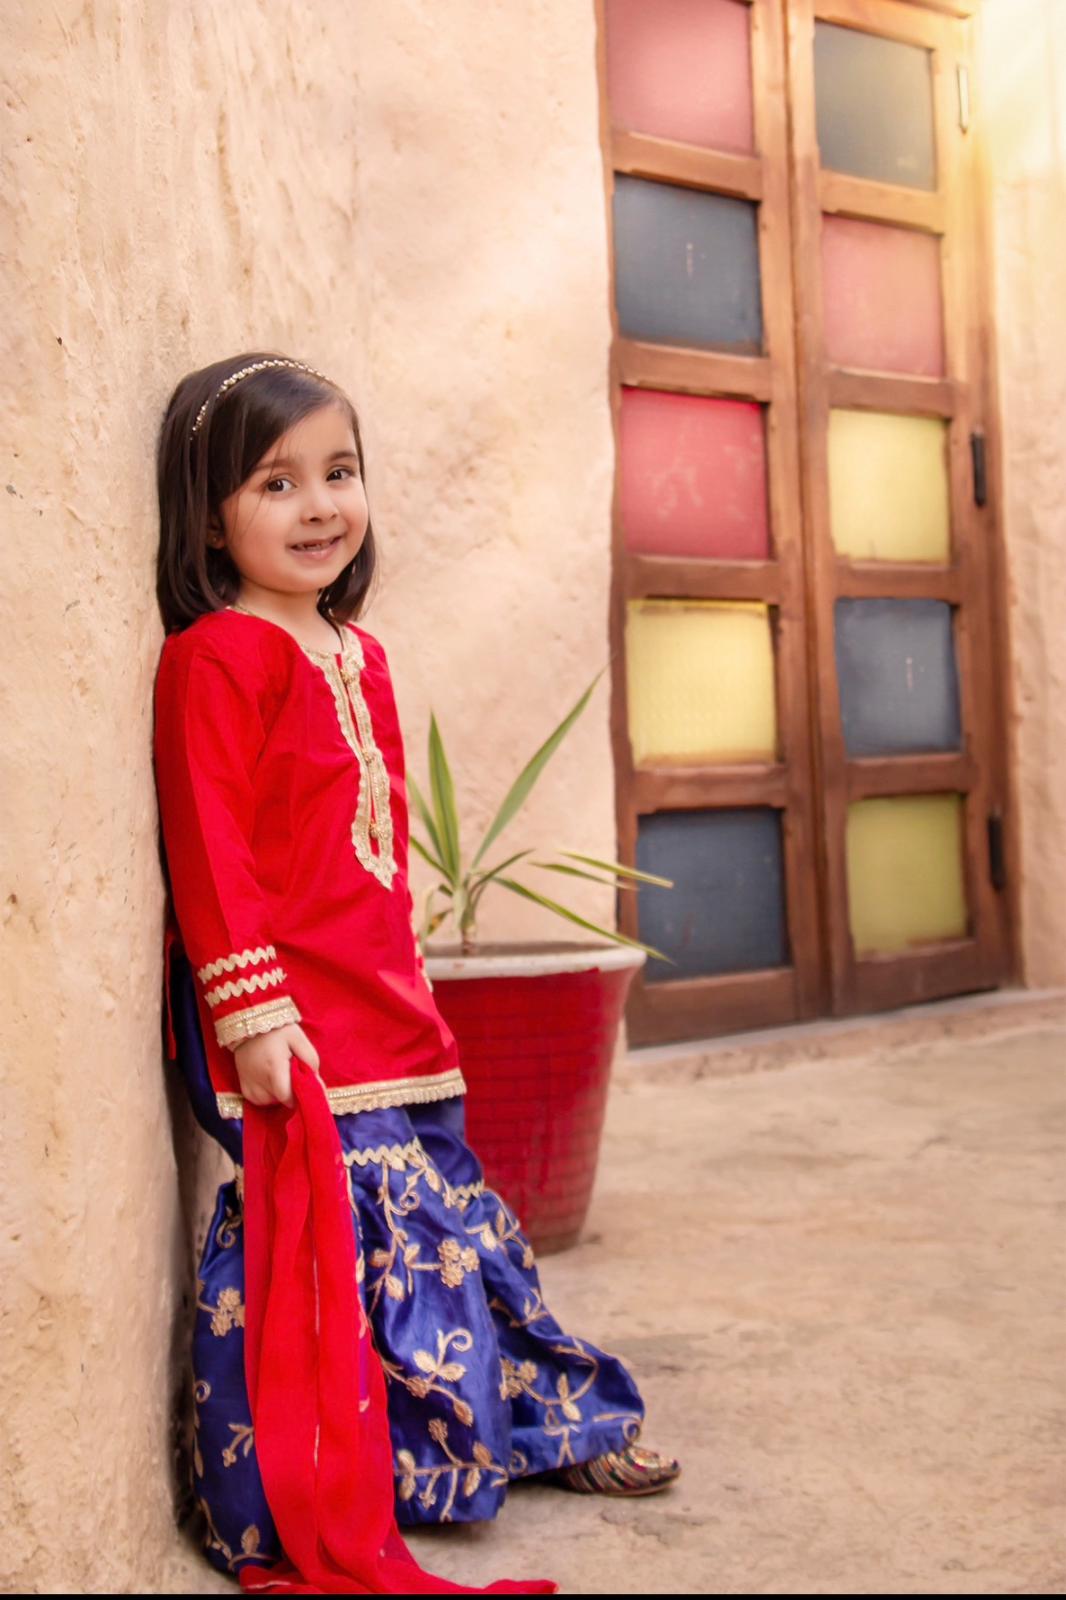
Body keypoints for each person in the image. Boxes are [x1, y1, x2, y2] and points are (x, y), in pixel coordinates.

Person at [152, 353, 679, 1594]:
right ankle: (350, 1475)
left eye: (339, 472)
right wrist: (251, 1013)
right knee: (352, 1240)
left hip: (385, 1005)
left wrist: (411, 986)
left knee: (448, 1231)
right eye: (276, 483)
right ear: (209, 517)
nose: (319, 505)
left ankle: (526, 1430)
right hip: (287, 1013)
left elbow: (374, 855)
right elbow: (211, 847)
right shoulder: (216, 657)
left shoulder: (359, 654)